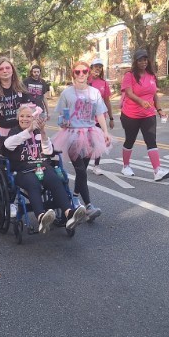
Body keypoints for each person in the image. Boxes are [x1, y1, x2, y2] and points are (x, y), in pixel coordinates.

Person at [1, 104, 87, 233]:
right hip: (23, 170)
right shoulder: (15, 131)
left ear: (34, 118)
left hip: (42, 166)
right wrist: (28, 130)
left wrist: (43, 132)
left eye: (28, 116)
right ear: (18, 117)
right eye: (22, 116)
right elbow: (8, 144)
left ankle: (69, 214)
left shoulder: (37, 132)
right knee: (33, 184)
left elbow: (48, 151)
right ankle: (41, 217)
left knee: (56, 181)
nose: (25, 119)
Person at [53, 61, 112, 222]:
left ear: (88, 73)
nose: (81, 74)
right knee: (80, 170)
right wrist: (62, 123)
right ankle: (89, 206)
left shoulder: (94, 93)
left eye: (84, 71)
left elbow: (100, 114)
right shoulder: (67, 93)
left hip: (90, 133)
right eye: (77, 72)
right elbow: (61, 117)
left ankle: (75, 197)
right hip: (71, 134)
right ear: (73, 74)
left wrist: (105, 132)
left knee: (83, 170)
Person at [119, 49, 169, 181]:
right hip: (131, 114)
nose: (143, 62)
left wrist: (159, 110)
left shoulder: (151, 75)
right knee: (130, 140)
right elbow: (129, 93)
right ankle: (125, 166)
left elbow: (154, 95)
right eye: (140, 60)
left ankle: (157, 171)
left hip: (148, 114)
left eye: (145, 59)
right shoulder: (129, 75)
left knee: (151, 140)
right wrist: (141, 101)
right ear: (135, 62)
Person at [88, 58, 114, 175]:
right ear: (91, 68)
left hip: (100, 116)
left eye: (100, 66)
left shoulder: (104, 83)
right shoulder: (85, 80)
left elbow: (107, 101)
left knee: (99, 141)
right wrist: (89, 79)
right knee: (87, 142)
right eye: (96, 66)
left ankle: (96, 166)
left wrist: (111, 117)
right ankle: (83, 163)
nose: (98, 68)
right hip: (86, 116)